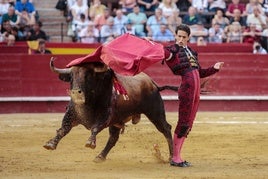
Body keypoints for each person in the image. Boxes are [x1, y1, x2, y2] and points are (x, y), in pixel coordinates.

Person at [161, 24, 224, 167]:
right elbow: (160, 52)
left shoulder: (192, 52)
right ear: (175, 36)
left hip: (195, 93)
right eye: (179, 36)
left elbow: (199, 72)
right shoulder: (171, 50)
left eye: (184, 37)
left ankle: (177, 155)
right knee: (183, 122)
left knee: (188, 124)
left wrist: (214, 68)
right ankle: (175, 157)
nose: (181, 39)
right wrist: (149, 43)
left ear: (189, 37)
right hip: (187, 90)